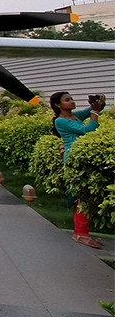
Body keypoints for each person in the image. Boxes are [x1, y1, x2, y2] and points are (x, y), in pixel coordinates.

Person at [49, 91, 106, 248]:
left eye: (71, 99)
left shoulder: (75, 116)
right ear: (58, 105)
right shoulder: (61, 121)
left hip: (82, 158)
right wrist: (94, 111)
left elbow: (94, 110)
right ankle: (81, 233)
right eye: (67, 100)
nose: (72, 102)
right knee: (81, 196)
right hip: (74, 159)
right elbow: (88, 131)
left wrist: (99, 103)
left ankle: (82, 232)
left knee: (85, 195)